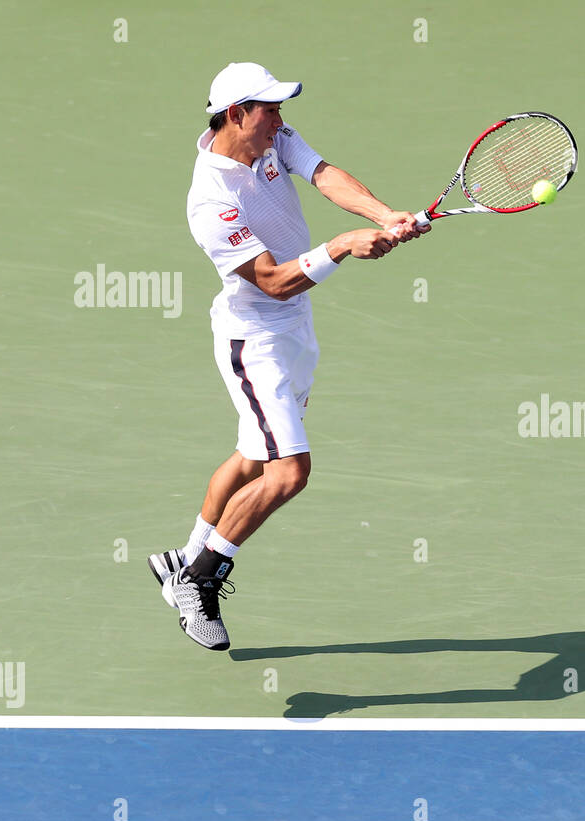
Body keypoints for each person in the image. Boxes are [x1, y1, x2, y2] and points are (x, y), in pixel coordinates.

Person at [149, 62, 427, 651]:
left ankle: (186, 555)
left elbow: (324, 175)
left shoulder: (273, 138)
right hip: (257, 341)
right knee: (289, 470)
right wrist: (341, 246)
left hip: (295, 332)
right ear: (234, 116)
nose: (280, 120)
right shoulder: (212, 199)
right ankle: (200, 579)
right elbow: (273, 281)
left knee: (252, 457)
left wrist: (383, 216)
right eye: (269, 109)